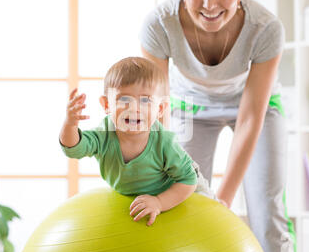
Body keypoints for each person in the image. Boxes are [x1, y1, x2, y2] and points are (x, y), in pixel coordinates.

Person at [139, 0, 297, 252]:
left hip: (255, 107)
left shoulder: (266, 27)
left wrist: (223, 199)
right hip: (190, 107)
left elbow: (251, 117)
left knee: (267, 213)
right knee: (182, 203)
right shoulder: (159, 24)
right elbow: (157, 109)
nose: (210, 4)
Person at [58, 57, 215, 227]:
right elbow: (74, 148)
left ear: (160, 109)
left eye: (145, 100)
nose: (134, 108)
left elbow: (188, 180)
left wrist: (159, 202)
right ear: (106, 104)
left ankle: (218, 206)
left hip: (183, 185)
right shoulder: (104, 134)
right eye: (123, 99)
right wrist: (70, 124)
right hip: (140, 193)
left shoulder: (164, 142)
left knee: (210, 213)